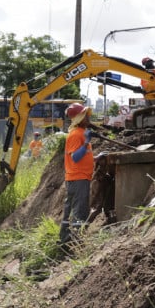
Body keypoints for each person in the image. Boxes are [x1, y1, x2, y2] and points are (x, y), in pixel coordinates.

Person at [59, 103, 94, 248]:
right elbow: (75, 157)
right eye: (85, 115)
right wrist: (86, 142)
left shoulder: (80, 132)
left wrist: (95, 158)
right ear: (79, 118)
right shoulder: (76, 134)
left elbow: (83, 156)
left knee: (72, 209)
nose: (88, 117)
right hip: (77, 178)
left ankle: (66, 238)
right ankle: (76, 242)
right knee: (79, 210)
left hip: (80, 177)